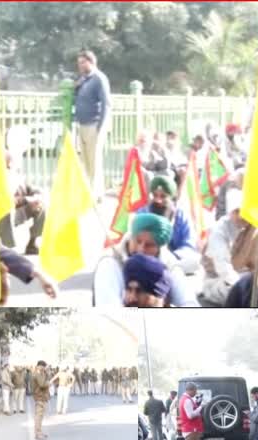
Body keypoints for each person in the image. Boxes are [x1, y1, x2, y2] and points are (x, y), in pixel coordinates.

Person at [94, 213, 198, 306]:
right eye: (137, 241)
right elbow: (108, 308)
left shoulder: (168, 265)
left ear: (159, 248)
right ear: (131, 237)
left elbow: (188, 302)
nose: (141, 249)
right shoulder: (111, 263)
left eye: (149, 245)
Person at [201, 189, 258, 305]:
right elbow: (223, 267)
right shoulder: (219, 230)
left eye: (245, 211)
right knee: (235, 293)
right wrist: (243, 287)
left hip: (244, 276)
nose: (241, 216)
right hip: (218, 281)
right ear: (230, 212)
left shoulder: (255, 227)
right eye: (237, 211)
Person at [139, 175, 200, 274]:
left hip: (173, 261)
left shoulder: (181, 216)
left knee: (195, 262)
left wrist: (171, 257)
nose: (158, 200)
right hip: (147, 256)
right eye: (155, 195)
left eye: (163, 196)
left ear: (172, 198)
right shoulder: (143, 213)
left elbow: (189, 244)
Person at [74, 50, 110, 201]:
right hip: (82, 124)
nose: (80, 66)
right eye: (79, 63)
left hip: (94, 124)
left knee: (94, 161)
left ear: (91, 62)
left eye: (83, 62)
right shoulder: (84, 79)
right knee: (86, 161)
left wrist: (101, 127)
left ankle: (94, 194)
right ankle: (92, 192)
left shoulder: (99, 79)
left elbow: (106, 104)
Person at [31, 361, 51, 440]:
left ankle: (39, 432)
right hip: (39, 396)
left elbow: (45, 379)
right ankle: (38, 433)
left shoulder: (41, 373)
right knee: (38, 416)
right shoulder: (37, 374)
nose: (44, 368)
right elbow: (42, 384)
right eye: (43, 367)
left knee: (40, 416)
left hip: (42, 397)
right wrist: (48, 383)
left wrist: (46, 373)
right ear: (40, 366)